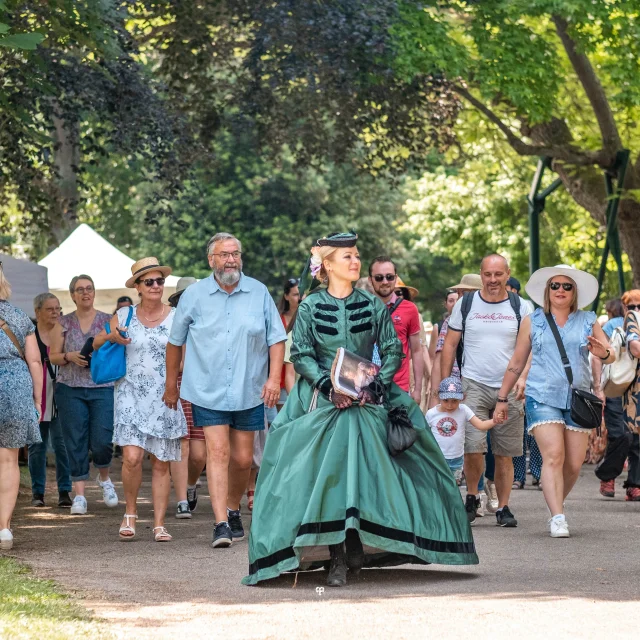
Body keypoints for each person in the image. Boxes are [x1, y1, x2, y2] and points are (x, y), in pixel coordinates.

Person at [243, 233, 478, 588]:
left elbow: (391, 349)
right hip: (320, 395)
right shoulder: (308, 306)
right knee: (303, 461)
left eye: (356, 256)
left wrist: (371, 386)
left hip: (369, 393)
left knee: (413, 456)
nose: (355, 262)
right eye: (348, 257)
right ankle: (337, 553)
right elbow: (302, 354)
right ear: (328, 265)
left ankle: (357, 546)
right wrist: (329, 387)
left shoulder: (372, 305)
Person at [164, 232, 286, 548]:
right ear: (211, 260)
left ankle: (233, 507)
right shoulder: (194, 295)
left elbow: (277, 339)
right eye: (224, 254)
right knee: (217, 452)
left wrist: (274, 380)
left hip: (249, 389)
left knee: (244, 459)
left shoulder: (259, 292)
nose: (230, 259)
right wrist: (170, 387)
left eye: (235, 253)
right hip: (207, 388)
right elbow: (174, 342)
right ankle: (220, 523)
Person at [497, 265, 614, 538]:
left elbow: (610, 354)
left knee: (573, 464)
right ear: (547, 291)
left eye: (567, 286)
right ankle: (558, 517)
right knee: (553, 456)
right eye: (555, 286)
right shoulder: (533, 320)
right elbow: (517, 362)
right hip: (542, 395)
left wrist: (603, 353)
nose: (560, 290)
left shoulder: (588, 319)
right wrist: (503, 396)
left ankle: (555, 501)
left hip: (577, 398)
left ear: (575, 292)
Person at [94, 258, 187, 541]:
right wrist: (111, 336)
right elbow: (96, 343)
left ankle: (159, 523)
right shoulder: (124, 316)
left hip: (164, 394)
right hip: (130, 394)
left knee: (160, 462)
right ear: (138, 287)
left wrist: (172, 381)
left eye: (160, 281)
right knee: (132, 458)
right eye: (149, 282)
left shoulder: (176, 316)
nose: (156, 286)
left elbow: (184, 356)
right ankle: (131, 513)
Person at [441, 255, 532, 527]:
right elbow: (449, 345)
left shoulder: (521, 307)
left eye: (498, 274)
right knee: (472, 447)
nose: (493, 280)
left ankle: (504, 507)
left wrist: (521, 379)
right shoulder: (466, 304)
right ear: (481, 275)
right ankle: (472, 496)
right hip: (473, 383)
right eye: (488, 274)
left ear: (507, 274)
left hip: (509, 387)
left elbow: (525, 350)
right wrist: (447, 386)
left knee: (504, 452)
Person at [50, 275, 119, 515]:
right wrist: (70, 356)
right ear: (72, 295)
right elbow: (53, 356)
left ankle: (104, 478)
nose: (85, 293)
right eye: (80, 290)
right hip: (70, 388)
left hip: (101, 386)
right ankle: (79, 495)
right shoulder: (63, 322)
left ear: (94, 292)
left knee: (102, 439)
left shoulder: (107, 320)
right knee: (75, 440)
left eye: (89, 288)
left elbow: (115, 350)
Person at [0, 266, 43, 550]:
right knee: (8, 461)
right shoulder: (17, 316)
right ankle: (4, 528)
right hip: (15, 386)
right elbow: (36, 362)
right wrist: (38, 400)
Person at [166, 277, 206, 517]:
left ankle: (190, 486)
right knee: (180, 444)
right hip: (178, 386)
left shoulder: (209, 322)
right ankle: (181, 499)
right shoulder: (171, 321)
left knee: (200, 453)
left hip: (202, 389)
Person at [28, 293, 72, 508]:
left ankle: (65, 491)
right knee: (37, 446)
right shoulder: (29, 335)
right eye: (50, 309)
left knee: (62, 445)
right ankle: (38, 493)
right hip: (36, 397)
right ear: (37, 312)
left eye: (58, 308)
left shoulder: (64, 333)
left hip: (61, 397)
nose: (56, 312)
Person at [369, 257, 424, 404]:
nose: (385, 281)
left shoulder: (410, 309)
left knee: (398, 428)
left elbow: (417, 350)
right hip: (366, 388)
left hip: (398, 388)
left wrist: (417, 389)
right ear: (370, 280)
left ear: (396, 278)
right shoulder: (362, 307)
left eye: (390, 277)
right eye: (379, 278)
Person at [604, 290, 640, 501]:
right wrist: (599, 390)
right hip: (619, 386)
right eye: (632, 307)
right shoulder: (612, 326)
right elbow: (598, 358)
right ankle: (607, 475)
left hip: (636, 391)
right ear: (624, 308)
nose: (636, 310)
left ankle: (634, 484)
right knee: (620, 436)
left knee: (637, 439)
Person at [427, 377, 498, 482]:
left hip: (456, 458)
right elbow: (424, 434)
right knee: (438, 485)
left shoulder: (464, 410)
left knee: (453, 485)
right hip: (437, 458)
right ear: (439, 396)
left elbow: (481, 425)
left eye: (454, 401)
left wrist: (495, 421)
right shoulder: (431, 414)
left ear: (462, 398)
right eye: (446, 400)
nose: (450, 405)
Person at [429, 290, 460, 410]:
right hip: (450, 385)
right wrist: (435, 394)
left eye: (457, 300)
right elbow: (436, 359)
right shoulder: (444, 325)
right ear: (446, 304)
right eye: (451, 301)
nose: (454, 303)